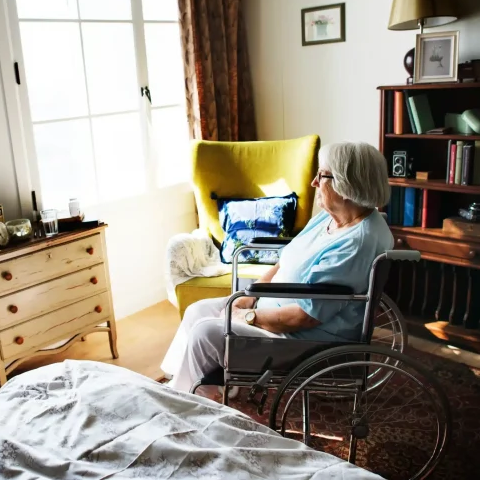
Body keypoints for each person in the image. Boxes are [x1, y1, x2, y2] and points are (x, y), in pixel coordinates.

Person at [161, 141, 394, 392]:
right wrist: (251, 297)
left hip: (300, 340)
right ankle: (182, 385)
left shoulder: (356, 244)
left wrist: (249, 317)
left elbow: (306, 317)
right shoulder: (328, 218)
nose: (314, 182)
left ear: (348, 185)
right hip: (272, 314)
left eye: (322, 175)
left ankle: (188, 402)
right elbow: (285, 261)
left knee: (206, 332)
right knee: (197, 311)